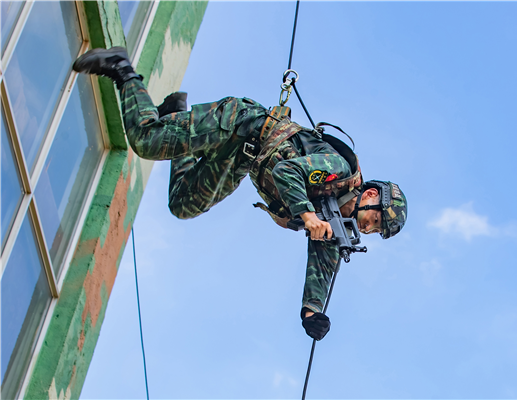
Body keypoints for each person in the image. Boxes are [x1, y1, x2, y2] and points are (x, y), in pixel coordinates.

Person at [73, 47, 407, 341]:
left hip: (241, 159)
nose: (370, 228)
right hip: (240, 123)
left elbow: (323, 264)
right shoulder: (339, 169)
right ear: (370, 194)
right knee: (147, 140)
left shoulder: (335, 220)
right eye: (376, 219)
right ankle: (122, 69)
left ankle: (175, 109)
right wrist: (307, 215)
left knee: (184, 205)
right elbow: (286, 171)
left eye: (377, 230)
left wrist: (312, 313)